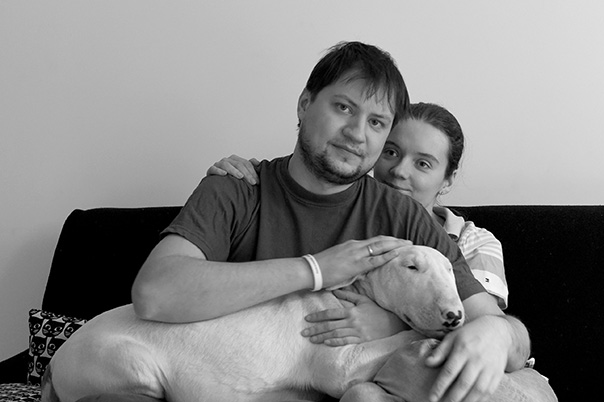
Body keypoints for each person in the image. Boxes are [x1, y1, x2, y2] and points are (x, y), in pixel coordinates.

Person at [132, 41, 539, 402]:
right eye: (344, 107)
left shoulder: (405, 216)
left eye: (376, 122)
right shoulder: (238, 189)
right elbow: (155, 294)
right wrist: (316, 270)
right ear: (305, 104)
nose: (357, 133)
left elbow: (508, 338)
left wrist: (496, 334)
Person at [207, 103, 558, 401]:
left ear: (448, 179)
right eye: (391, 152)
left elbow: (473, 329)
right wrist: (251, 178)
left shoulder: (471, 241)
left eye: (423, 163)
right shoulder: (359, 229)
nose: (399, 171)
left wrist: (387, 323)